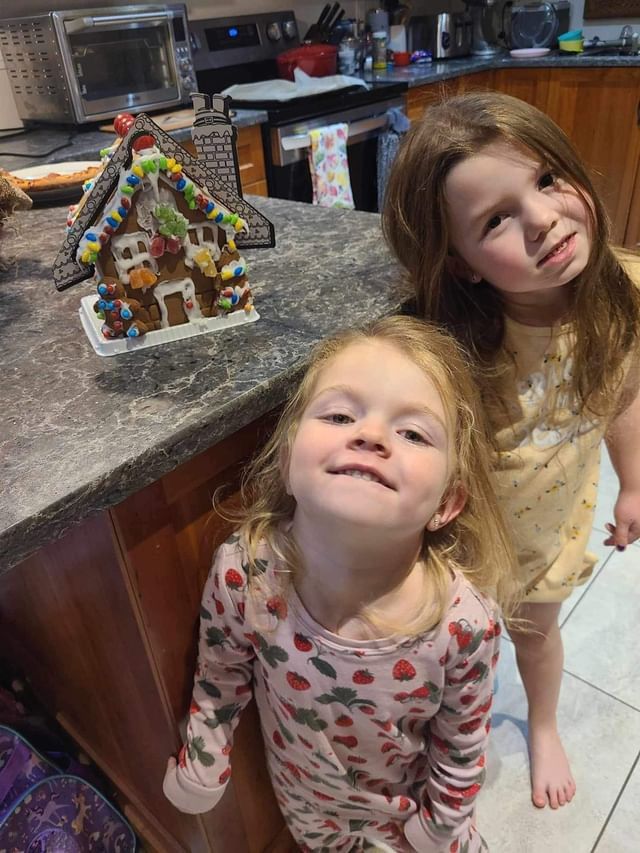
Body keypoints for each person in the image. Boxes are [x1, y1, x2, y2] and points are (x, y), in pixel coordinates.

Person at [163, 316, 518, 852]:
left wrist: (441, 825)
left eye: (413, 433)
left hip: (408, 822)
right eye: (339, 414)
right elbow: (220, 675)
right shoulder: (245, 573)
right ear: (286, 460)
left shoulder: (464, 624)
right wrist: (203, 764)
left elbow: (462, 741)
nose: (370, 435)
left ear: (447, 502)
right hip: (307, 809)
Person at [382, 91, 640, 813]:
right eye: (495, 220)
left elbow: (621, 396)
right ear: (461, 263)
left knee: (538, 641)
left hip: (544, 541)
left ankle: (545, 724)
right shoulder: (450, 344)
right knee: (448, 654)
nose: (542, 219)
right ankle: (438, 737)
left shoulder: (623, 296)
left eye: (548, 179)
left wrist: (632, 484)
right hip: (459, 547)